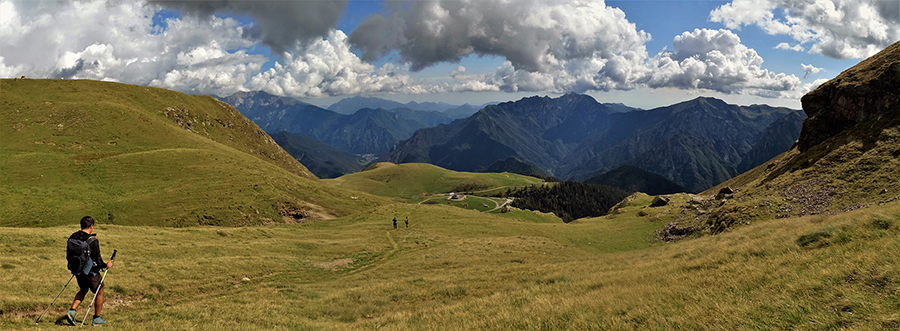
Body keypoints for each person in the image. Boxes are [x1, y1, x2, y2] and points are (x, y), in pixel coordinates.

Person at [66, 216, 113, 326]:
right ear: (91, 226)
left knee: (83, 289)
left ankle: (72, 311)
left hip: (77, 270)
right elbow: (98, 260)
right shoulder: (93, 241)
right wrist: (107, 265)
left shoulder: (73, 236)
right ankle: (97, 318)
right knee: (100, 290)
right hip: (90, 272)